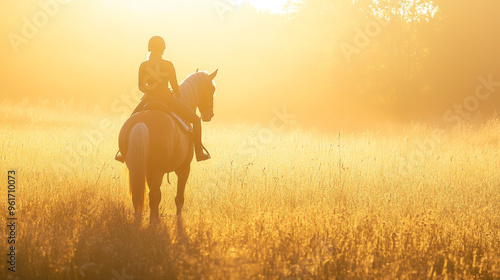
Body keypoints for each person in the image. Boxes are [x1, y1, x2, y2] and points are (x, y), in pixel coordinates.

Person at [115, 36, 211, 163]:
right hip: (167, 98)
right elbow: (175, 86)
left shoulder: (144, 65)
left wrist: (150, 91)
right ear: (162, 49)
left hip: (148, 98)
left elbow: (141, 87)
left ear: (149, 49)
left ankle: (122, 151)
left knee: (131, 120)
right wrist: (174, 92)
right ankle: (199, 152)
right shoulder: (168, 64)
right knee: (195, 120)